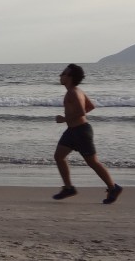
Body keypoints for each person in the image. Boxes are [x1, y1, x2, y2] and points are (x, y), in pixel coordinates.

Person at [52, 64, 122, 204]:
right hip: (72, 131)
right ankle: (68, 188)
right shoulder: (76, 90)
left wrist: (64, 119)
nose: (60, 76)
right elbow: (90, 106)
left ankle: (113, 187)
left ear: (70, 77)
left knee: (93, 162)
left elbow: (82, 112)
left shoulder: (73, 92)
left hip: (81, 131)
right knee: (59, 156)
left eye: (63, 74)